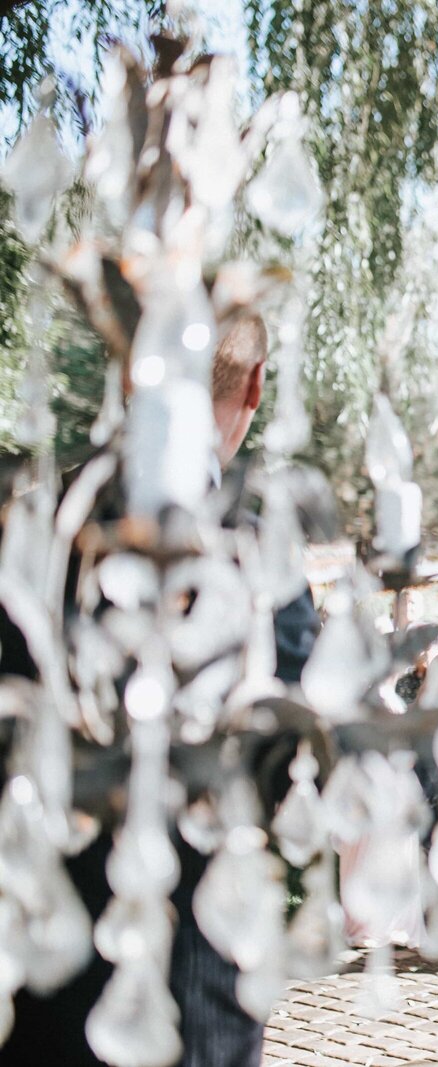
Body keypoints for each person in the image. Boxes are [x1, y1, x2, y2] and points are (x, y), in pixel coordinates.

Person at [0, 313, 319, 1067]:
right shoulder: (259, 556)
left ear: (127, 368)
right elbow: (303, 751)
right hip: (197, 982)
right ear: (255, 384)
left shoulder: (33, 527)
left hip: (38, 954)